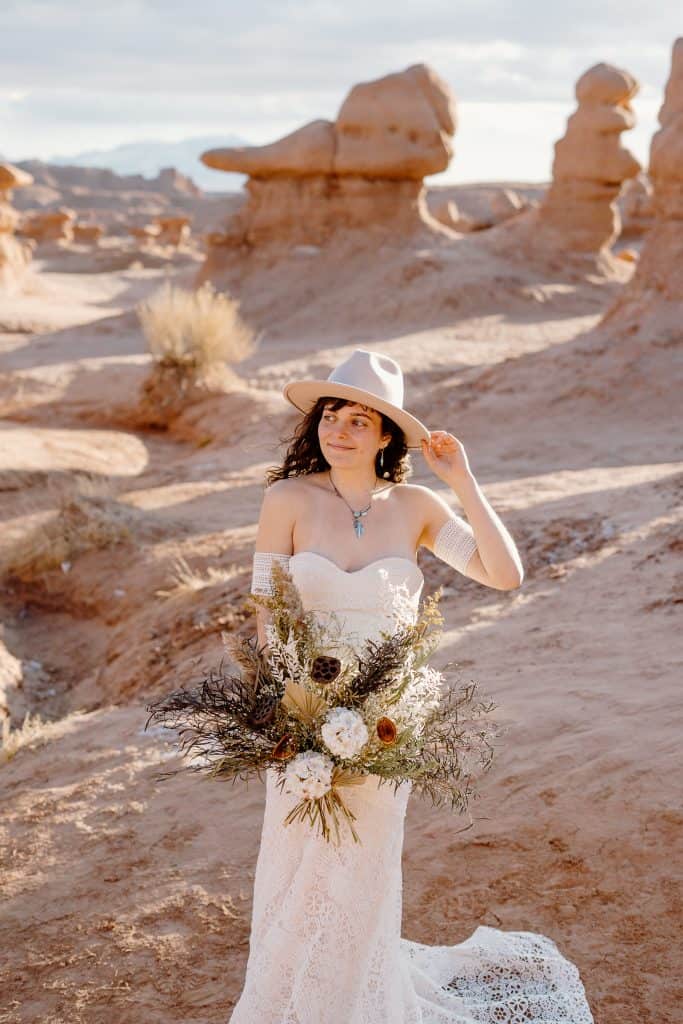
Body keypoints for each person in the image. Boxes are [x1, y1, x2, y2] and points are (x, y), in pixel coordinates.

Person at [228, 349, 594, 1023]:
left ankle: (355, 1003)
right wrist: (292, 710)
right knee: (296, 861)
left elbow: (504, 574)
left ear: (387, 436)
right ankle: (289, 1001)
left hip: (384, 718)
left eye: (359, 420)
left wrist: (462, 480)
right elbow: (266, 613)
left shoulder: (417, 506)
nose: (338, 430)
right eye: (330, 415)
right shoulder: (285, 499)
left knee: (361, 870)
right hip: (302, 714)